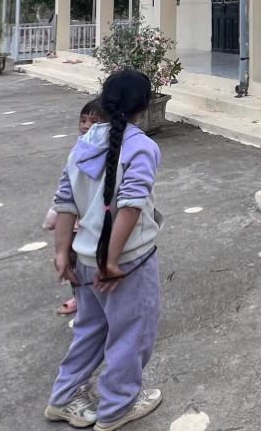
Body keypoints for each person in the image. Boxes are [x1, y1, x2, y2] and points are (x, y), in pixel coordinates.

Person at [45, 69, 163, 430]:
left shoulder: (84, 143)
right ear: (144, 105)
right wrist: (110, 261)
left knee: (90, 331)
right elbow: (131, 205)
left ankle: (64, 397)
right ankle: (117, 406)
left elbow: (65, 200)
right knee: (132, 334)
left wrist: (62, 251)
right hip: (126, 264)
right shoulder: (141, 146)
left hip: (82, 259)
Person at [44, 98, 103, 317]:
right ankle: (79, 296)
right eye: (83, 120)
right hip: (74, 222)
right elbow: (66, 189)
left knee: (94, 262)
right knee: (72, 262)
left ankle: (93, 296)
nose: (86, 125)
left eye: (94, 121)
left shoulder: (112, 150)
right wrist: (56, 211)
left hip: (92, 221)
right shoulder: (78, 149)